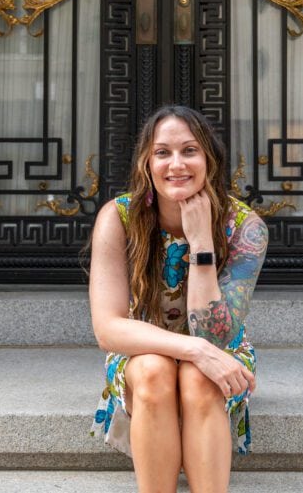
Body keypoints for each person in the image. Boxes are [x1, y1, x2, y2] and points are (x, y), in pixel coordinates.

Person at [89, 105, 268, 493]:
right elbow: (108, 328)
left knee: (197, 378)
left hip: (222, 356)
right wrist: (194, 349)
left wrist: (202, 243)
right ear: (146, 163)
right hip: (143, 351)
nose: (176, 164)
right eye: (162, 152)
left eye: (189, 150)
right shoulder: (118, 218)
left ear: (209, 159)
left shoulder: (245, 227)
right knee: (155, 371)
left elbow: (216, 338)